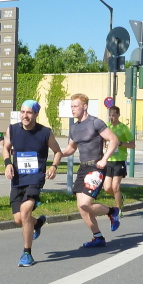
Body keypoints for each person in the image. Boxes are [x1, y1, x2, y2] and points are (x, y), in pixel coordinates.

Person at [3, 100, 63, 267]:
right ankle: (38, 223)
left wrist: (53, 166)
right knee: (18, 219)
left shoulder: (45, 132)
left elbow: (58, 151)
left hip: (35, 178)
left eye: (29, 112)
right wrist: (8, 163)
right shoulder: (12, 129)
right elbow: (5, 147)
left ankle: (27, 254)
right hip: (18, 178)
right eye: (22, 112)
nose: (25, 116)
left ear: (36, 114)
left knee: (25, 212)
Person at [60, 93, 122, 248]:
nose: (72, 109)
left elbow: (114, 140)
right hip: (83, 168)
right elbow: (71, 148)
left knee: (85, 204)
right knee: (81, 207)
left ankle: (112, 211)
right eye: (71, 106)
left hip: (96, 167)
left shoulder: (95, 122)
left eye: (75, 106)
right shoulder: (74, 127)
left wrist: (104, 159)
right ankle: (98, 237)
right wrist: (59, 153)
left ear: (85, 106)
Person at [104, 106, 135, 210]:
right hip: (109, 160)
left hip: (119, 160)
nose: (111, 117)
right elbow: (103, 138)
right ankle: (120, 197)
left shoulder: (123, 128)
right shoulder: (107, 127)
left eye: (113, 115)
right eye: (110, 115)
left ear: (118, 115)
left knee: (115, 186)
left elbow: (132, 145)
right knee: (107, 188)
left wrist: (120, 143)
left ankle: (118, 209)